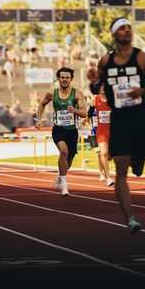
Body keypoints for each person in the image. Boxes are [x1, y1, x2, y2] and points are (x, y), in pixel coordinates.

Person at [97, 17, 145, 234]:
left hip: (139, 118)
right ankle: (130, 219)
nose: (127, 31)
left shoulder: (144, 58)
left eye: (129, 28)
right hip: (119, 120)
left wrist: (143, 91)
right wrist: (92, 81)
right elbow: (95, 86)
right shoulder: (105, 62)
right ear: (114, 34)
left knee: (138, 169)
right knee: (121, 169)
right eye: (121, 28)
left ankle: (139, 162)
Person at [35, 67, 87, 196]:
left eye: (67, 78)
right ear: (58, 78)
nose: (64, 80)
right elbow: (42, 104)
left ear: (71, 79)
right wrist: (38, 119)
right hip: (58, 129)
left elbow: (84, 113)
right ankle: (64, 186)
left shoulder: (77, 93)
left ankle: (60, 177)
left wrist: (74, 111)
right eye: (62, 77)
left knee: (69, 159)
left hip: (72, 130)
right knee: (64, 151)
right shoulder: (52, 93)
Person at [91, 84, 114, 186]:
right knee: (103, 152)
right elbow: (90, 111)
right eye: (101, 86)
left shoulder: (112, 99)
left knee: (109, 157)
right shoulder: (95, 99)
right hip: (101, 131)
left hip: (113, 131)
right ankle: (108, 178)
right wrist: (86, 119)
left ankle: (109, 156)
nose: (103, 88)